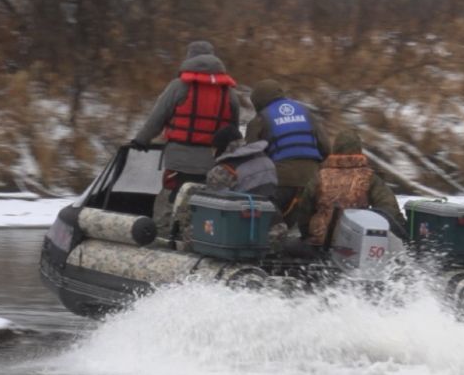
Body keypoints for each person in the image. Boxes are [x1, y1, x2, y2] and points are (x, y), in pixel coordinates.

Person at [132, 40, 237, 236]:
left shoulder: (178, 86)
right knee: (202, 206)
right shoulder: (229, 92)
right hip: (212, 165)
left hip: (178, 163)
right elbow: (233, 131)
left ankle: (163, 242)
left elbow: (157, 118)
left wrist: (142, 140)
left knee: (168, 204)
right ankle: (198, 240)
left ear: (189, 59)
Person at [242, 79, 325, 236]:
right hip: (313, 181)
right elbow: (326, 148)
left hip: (282, 181)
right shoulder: (306, 112)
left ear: (258, 101)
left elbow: (250, 157)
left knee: (260, 205)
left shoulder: (260, 119)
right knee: (303, 225)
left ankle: (273, 238)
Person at [304, 129, 407, 247]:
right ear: (359, 150)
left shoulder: (320, 176)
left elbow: (304, 210)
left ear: (335, 149)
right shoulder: (369, 177)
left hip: (319, 242)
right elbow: (389, 209)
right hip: (356, 244)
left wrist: (306, 235)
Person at [203, 124, 278, 195]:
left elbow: (213, 199)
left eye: (213, 149)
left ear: (220, 148)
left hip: (243, 207)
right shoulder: (264, 158)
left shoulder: (222, 170)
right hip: (270, 206)